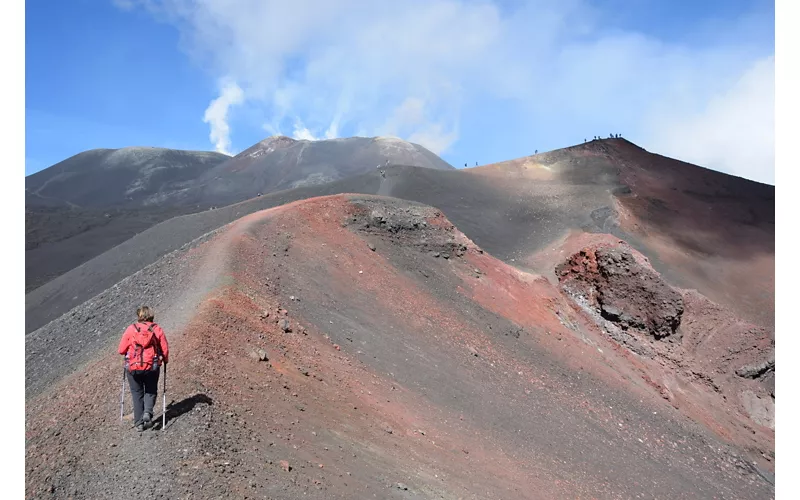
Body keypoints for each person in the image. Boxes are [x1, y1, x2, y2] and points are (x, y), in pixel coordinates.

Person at [118, 306, 169, 431]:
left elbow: (121, 350)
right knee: (150, 390)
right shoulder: (156, 329)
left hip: (133, 367)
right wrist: (165, 360)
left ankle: (139, 424)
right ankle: (147, 412)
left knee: (137, 393)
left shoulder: (131, 329)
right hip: (152, 366)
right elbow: (165, 349)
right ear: (151, 315)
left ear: (139, 316)